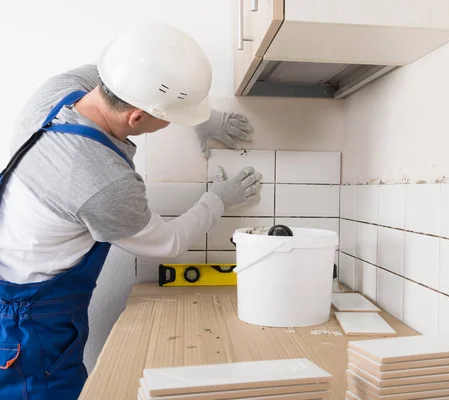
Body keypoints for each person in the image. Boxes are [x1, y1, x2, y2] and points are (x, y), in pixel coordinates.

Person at [0, 23, 262, 400]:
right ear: (137, 118)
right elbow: (169, 242)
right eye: (172, 117)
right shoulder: (104, 183)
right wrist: (218, 197)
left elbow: (132, 71)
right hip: (29, 326)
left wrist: (203, 116)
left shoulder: (57, 91)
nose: (175, 123)